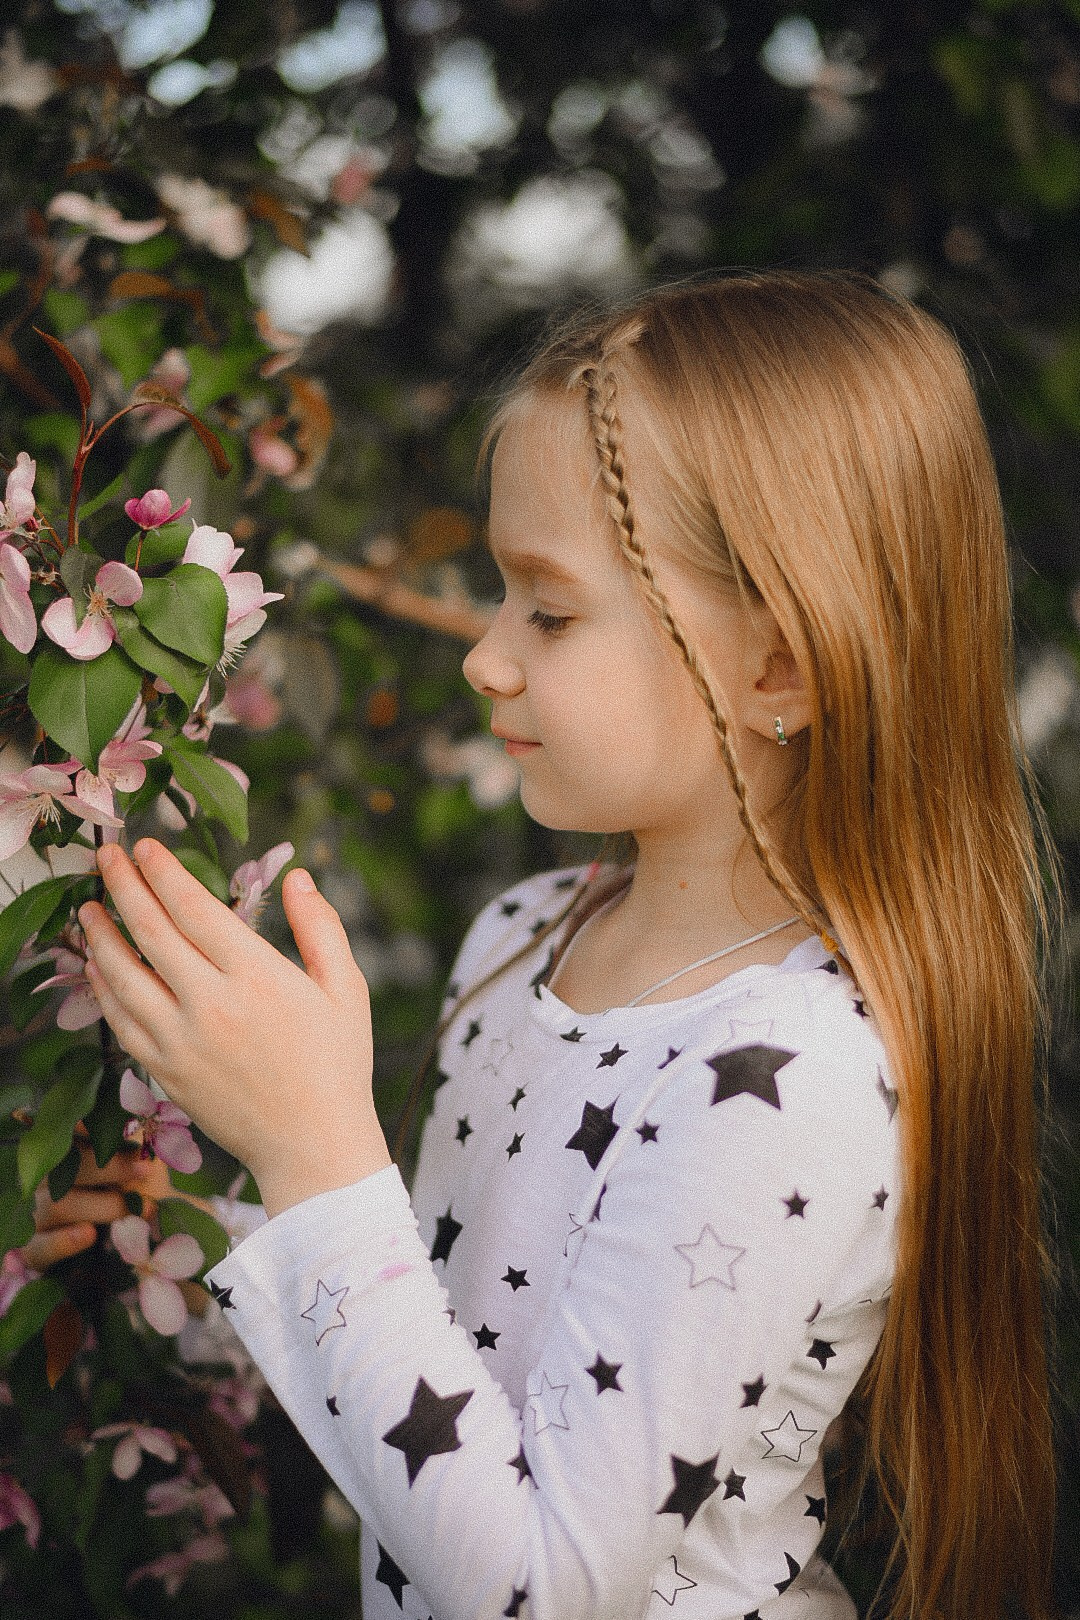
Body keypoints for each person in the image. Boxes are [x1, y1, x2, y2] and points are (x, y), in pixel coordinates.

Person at [45, 270, 1060, 1620]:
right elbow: (453, 1388)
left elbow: (541, 1588)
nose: (485, 655)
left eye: (551, 609)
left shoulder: (793, 1074)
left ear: (780, 670)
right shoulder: (524, 936)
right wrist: (200, 1222)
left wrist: (314, 1154)